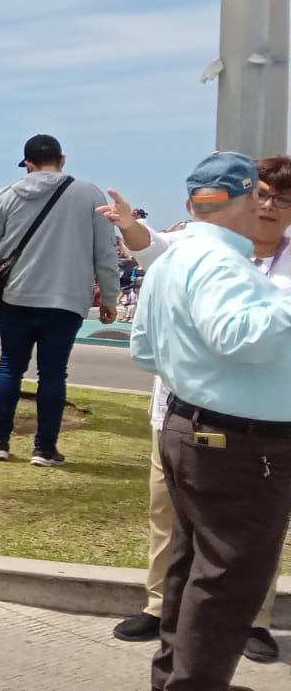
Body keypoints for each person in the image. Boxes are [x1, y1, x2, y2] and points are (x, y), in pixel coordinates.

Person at [105, 155, 291, 663]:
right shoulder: (212, 257)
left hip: (196, 423)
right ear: (251, 197)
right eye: (264, 194)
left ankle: (222, 636)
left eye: (283, 198)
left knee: (210, 563)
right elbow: (240, 336)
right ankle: (188, 644)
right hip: (234, 435)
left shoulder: (188, 255)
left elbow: (145, 348)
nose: (271, 206)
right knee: (217, 569)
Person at [0, 134, 120, 466]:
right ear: (62, 159)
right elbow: (105, 252)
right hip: (67, 298)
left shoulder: (7, 194)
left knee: (10, 366)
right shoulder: (89, 194)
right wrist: (109, 297)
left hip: (18, 294)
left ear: (27, 163)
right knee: (53, 373)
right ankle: (44, 448)